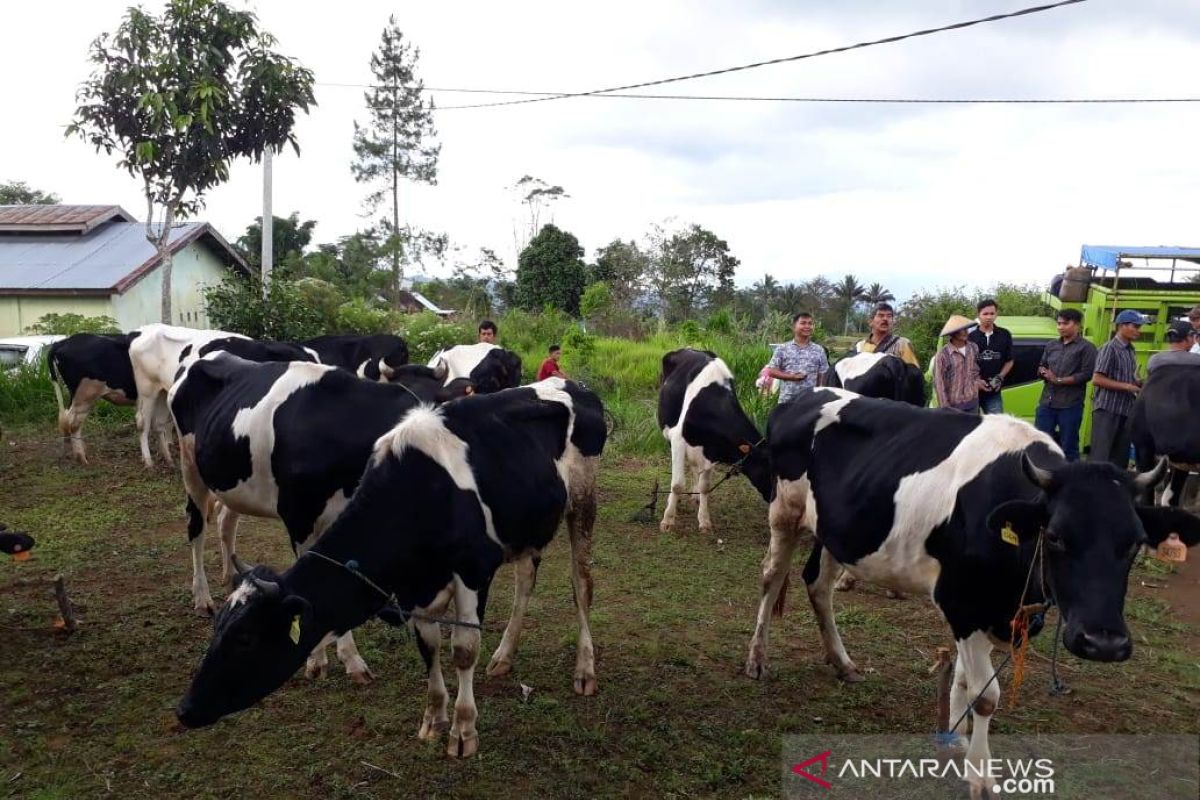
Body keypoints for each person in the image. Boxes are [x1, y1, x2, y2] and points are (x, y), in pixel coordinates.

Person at [1035, 309, 1097, 462]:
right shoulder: (1051, 345)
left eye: (1065, 323)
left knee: (1068, 447)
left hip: (1070, 405)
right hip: (1047, 402)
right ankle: (1040, 477)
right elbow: (1042, 365)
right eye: (1059, 323)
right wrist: (1042, 371)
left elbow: (1087, 374)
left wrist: (1059, 380)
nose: (1061, 327)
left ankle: (1071, 481)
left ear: (1077, 325)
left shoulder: (1087, 348)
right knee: (1040, 444)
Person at [1090, 310, 1146, 467]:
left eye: (1139, 327)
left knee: (1120, 459)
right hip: (1107, 409)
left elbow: (1129, 378)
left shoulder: (1131, 350)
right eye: (1135, 326)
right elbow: (1097, 379)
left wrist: (1139, 383)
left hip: (1126, 410)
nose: (1138, 330)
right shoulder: (1110, 348)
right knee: (1101, 456)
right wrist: (1128, 387)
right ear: (1121, 326)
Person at [766, 312, 829, 404]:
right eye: (803, 323)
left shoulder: (819, 350)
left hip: (810, 402)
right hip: (787, 401)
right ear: (794, 326)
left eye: (810, 323)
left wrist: (820, 397)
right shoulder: (783, 349)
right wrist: (792, 377)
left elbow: (823, 375)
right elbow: (771, 371)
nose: (807, 326)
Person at [969, 298, 1014, 414]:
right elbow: (964, 363)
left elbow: (1009, 361)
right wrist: (976, 381)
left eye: (992, 313)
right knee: (972, 426)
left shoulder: (1005, 334)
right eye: (985, 314)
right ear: (979, 315)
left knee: (998, 425)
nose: (989, 317)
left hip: (993, 391)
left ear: (996, 314)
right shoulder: (970, 337)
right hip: (971, 392)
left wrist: (1000, 377)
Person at [933, 315, 983, 413]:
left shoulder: (973, 348)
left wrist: (977, 383)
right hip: (954, 406)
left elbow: (976, 370)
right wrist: (945, 408)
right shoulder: (943, 355)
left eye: (966, 329)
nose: (965, 332)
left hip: (973, 402)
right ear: (953, 333)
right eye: (961, 330)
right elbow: (939, 383)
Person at [855, 303, 920, 367]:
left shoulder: (902, 344)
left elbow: (913, 373)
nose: (885, 319)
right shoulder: (860, 346)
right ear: (870, 322)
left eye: (889, 316)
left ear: (892, 321)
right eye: (881, 315)